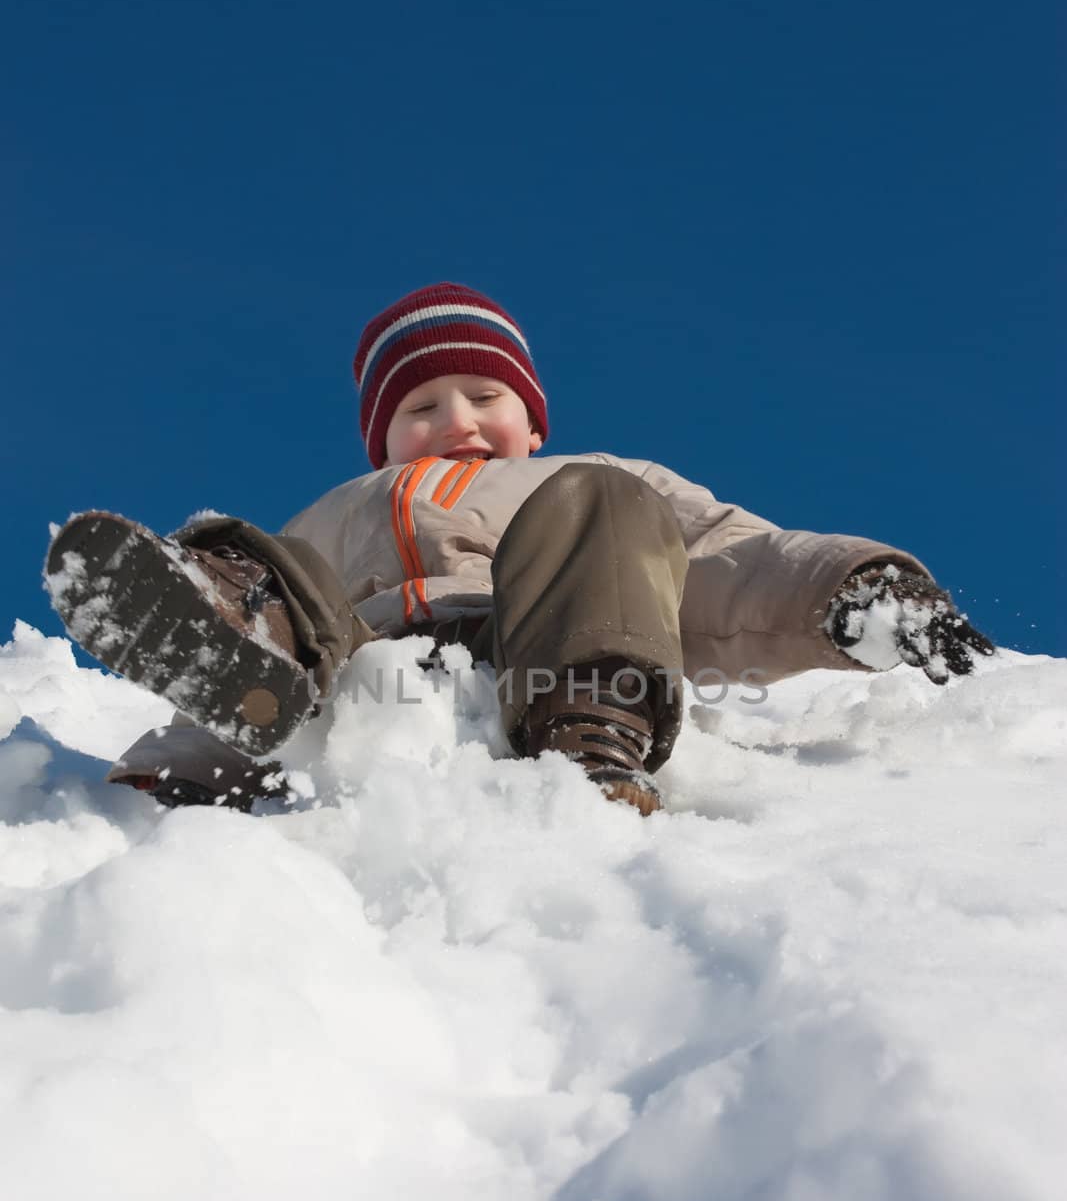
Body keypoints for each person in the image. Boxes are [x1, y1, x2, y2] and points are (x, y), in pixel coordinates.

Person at [45, 282, 995, 816]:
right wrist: (162, 764)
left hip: (539, 649)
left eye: (483, 398)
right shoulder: (335, 508)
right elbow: (295, 605)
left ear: (531, 419)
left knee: (613, 509)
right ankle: (239, 730)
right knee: (249, 560)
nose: (454, 421)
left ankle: (588, 734)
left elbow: (725, 557)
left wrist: (854, 591)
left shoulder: (574, 477)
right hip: (364, 678)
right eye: (419, 408)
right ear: (381, 437)